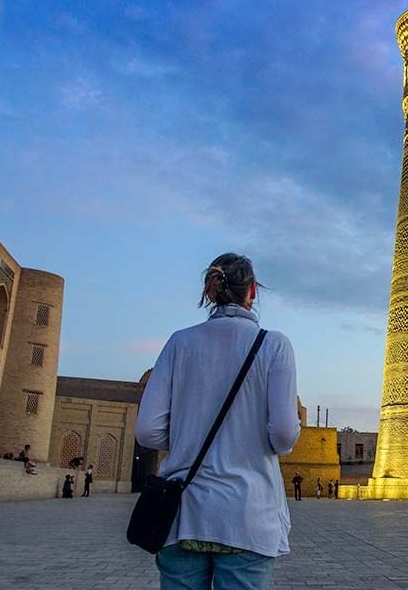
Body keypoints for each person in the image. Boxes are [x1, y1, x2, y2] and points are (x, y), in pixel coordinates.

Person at [135, 253, 300, 590]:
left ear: (210, 292)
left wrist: (186, 438)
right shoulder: (275, 346)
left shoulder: (180, 342)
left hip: (183, 516)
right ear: (252, 290)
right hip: (247, 517)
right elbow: (283, 435)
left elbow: (147, 431)